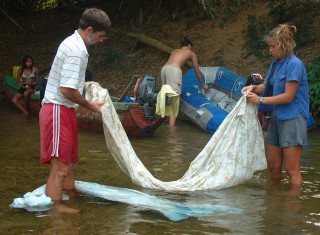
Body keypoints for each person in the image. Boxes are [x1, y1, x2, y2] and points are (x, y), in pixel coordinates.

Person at [40, 8, 111, 213]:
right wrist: (90, 106)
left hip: (66, 110)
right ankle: (56, 208)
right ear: (90, 30)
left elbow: (70, 83)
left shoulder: (76, 45)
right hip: (57, 109)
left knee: (70, 164)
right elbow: (66, 90)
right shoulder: (76, 50)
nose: (101, 40)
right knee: (60, 168)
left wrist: (84, 84)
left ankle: (71, 198)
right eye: (100, 35)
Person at [242, 23, 309, 195]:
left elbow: (289, 96)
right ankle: (274, 201)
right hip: (278, 117)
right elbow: (266, 85)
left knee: (292, 169)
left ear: (284, 44)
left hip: (293, 118)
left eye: (273, 46)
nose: (270, 50)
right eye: (269, 46)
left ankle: (292, 205)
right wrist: (252, 88)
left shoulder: (295, 65)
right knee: (273, 167)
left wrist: (260, 99)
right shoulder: (276, 64)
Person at [160, 37, 209, 126]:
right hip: (174, 70)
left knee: (166, 95)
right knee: (174, 97)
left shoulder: (174, 51)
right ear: (189, 45)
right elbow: (197, 71)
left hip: (164, 69)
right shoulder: (191, 53)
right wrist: (203, 84)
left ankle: (164, 121)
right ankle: (171, 128)